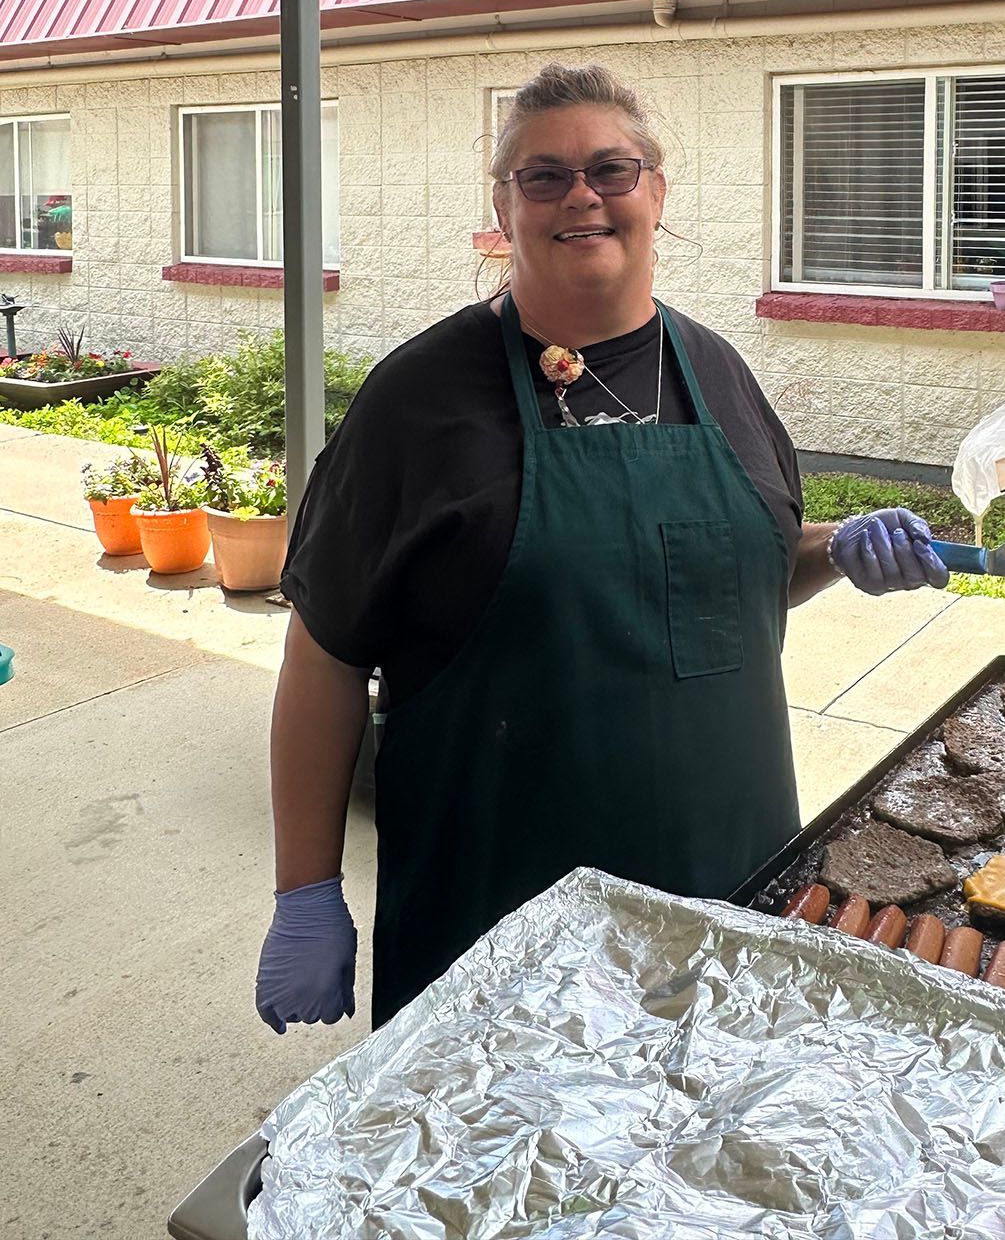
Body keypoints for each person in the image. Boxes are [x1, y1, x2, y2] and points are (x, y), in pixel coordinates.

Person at [256, 61, 949, 1032]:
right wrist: (306, 891)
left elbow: (716, 576)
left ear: (655, 193)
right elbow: (323, 659)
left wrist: (833, 550)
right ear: (504, 205)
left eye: (610, 170)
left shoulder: (720, 374)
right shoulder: (418, 404)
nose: (581, 195)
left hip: (730, 911)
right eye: (544, 176)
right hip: (504, 942)